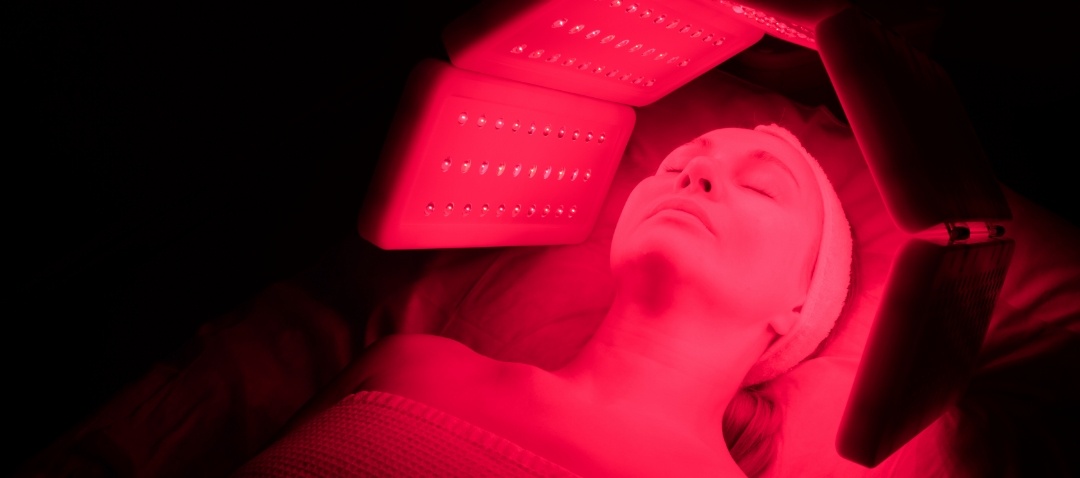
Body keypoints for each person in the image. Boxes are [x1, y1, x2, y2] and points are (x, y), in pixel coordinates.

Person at [239, 125, 853, 478]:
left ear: (800, 306)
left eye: (761, 186)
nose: (697, 174)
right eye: (674, 166)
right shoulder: (410, 367)